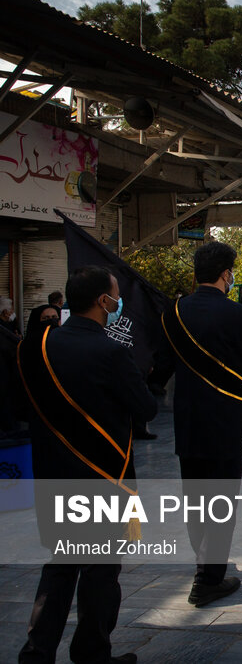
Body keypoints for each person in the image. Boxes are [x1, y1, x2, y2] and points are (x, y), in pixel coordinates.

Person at [18, 266, 157, 664]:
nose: (119, 303)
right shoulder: (111, 351)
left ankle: (37, 652)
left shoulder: (37, 347)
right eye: (116, 296)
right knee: (99, 573)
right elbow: (145, 408)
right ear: (103, 302)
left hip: (54, 476)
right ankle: (92, 653)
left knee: (59, 568)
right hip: (104, 478)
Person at [162, 241, 242, 607]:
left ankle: (204, 561)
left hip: (189, 420)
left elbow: (162, 366)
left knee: (194, 499)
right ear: (227, 274)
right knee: (221, 501)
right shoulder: (238, 315)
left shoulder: (173, 312)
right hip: (227, 419)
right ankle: (209, 580)